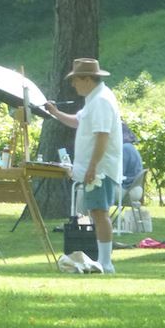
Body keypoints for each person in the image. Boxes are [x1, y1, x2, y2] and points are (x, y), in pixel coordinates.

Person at [45, 58, 122, 274]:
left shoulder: (102, 101)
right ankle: (103, 260)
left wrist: (92, 166)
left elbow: (102, 137)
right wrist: (55, 113)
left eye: (75, 80)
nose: (73, 84)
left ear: (87, 79)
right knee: (96, 212)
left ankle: (106, 263)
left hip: (101, 169)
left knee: (99, 212)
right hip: (96, 168)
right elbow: (77, 121)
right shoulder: (93, 99)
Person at [121, 122, 143, 190]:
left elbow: (118, 174)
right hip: (132, 188)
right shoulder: (129, 147)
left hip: (126, 188)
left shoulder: (125, 148)